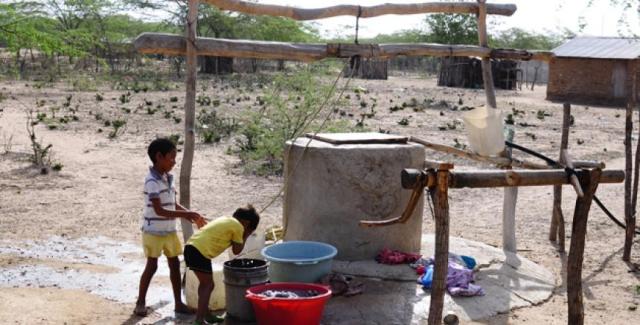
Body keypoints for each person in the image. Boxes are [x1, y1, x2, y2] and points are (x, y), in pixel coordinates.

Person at [135, 138, 206, 317]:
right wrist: (186, 215)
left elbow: (173, 204)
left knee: (175, 265)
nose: (174, 162)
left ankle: (178, 303)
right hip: (153, 231)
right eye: (171, 158)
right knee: (152, 267)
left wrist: (190, 213)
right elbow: (159, 210)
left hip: (169, 231)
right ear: (159, 157)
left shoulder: (167, 178)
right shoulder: (151, 180)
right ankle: (140, 302)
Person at [184, 205, 260, 324]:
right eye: (249, 230)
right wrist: (245, 235)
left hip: (192, 247)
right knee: (207, 285)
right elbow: (237, 250)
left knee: (208, 285)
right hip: (200, 251)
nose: (246, 232)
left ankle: (206, 314)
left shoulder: (225, 219)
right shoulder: (238, 227)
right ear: (246, 223)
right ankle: (199, 320)